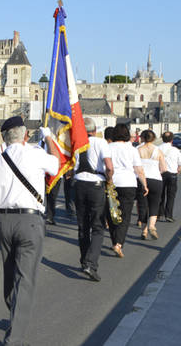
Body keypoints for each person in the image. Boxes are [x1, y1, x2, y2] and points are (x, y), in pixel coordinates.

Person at [0, 116, 59, 344]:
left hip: (3, 222)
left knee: (10, 275)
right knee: (25, 280)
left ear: (3, 137)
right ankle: (15, 339)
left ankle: (15, 314)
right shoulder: (36, 154)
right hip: (30, 222)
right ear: (26, 135)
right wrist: (49, 137)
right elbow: (57, 163)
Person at [74, 118, 113, 281]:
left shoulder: (77, 143)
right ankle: (91, 264)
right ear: (95, 129)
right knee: (97, 226)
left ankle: (84, 261)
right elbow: (109, 166)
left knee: (83, 226)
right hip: (96, 184)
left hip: (79, 184)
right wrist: (110, 180)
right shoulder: (101, 142)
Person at [107, 123, 147, 258]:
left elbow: (104, 166)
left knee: (112, 214)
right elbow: (139, 170)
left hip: (112, 183)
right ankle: (119, 243)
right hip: (128, 183)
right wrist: (145, 185)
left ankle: (114, 240)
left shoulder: (108, 148)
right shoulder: (132, 149)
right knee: (125, 215)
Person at [137, 130, 167, 240]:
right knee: (155, 203)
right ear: (153, 138)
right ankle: (152, 226)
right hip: (156, 179)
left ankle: (144, 231)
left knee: (142, 205)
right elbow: (163, 168)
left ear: (143, 138)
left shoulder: (138, 150)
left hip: (142, 180)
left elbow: (134, 166)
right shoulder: (158, 151)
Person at [158, 131, 181, 222]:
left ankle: (159, 213)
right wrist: (177, 172)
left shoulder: (157, 149)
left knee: (160, 195)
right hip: (172, 174)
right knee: (171, 195)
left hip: (160, 174)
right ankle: (168, 215)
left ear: (162, 138)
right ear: (172, 140)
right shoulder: (175, 150)